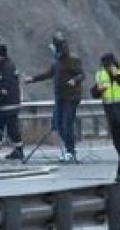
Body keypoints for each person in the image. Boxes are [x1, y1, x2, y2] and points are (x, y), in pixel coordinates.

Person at [24, 32, 84, 162]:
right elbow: (49, 73)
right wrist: (33, 79)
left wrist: (74, 80)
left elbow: (81, 75)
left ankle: (70, 150)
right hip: (60, 97)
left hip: (71, 97)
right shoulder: (58, 62)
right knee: (58, 124)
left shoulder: (73, 60)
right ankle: (68, 149)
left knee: (67, 123)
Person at [90, 52, 120, 182]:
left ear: (114, 63)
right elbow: (93, 93)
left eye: (108, 66)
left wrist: (117, 76)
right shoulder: (101, 75)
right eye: (105, 66)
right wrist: (98, 91)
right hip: (113, 115)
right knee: (118, 144)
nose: (106, 68)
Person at [0, 43, 24, 160]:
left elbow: (5, 87)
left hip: (8, 105)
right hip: (4, 104)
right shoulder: (4, 65)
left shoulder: (6, 67)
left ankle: (19, 149)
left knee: (12, 128)